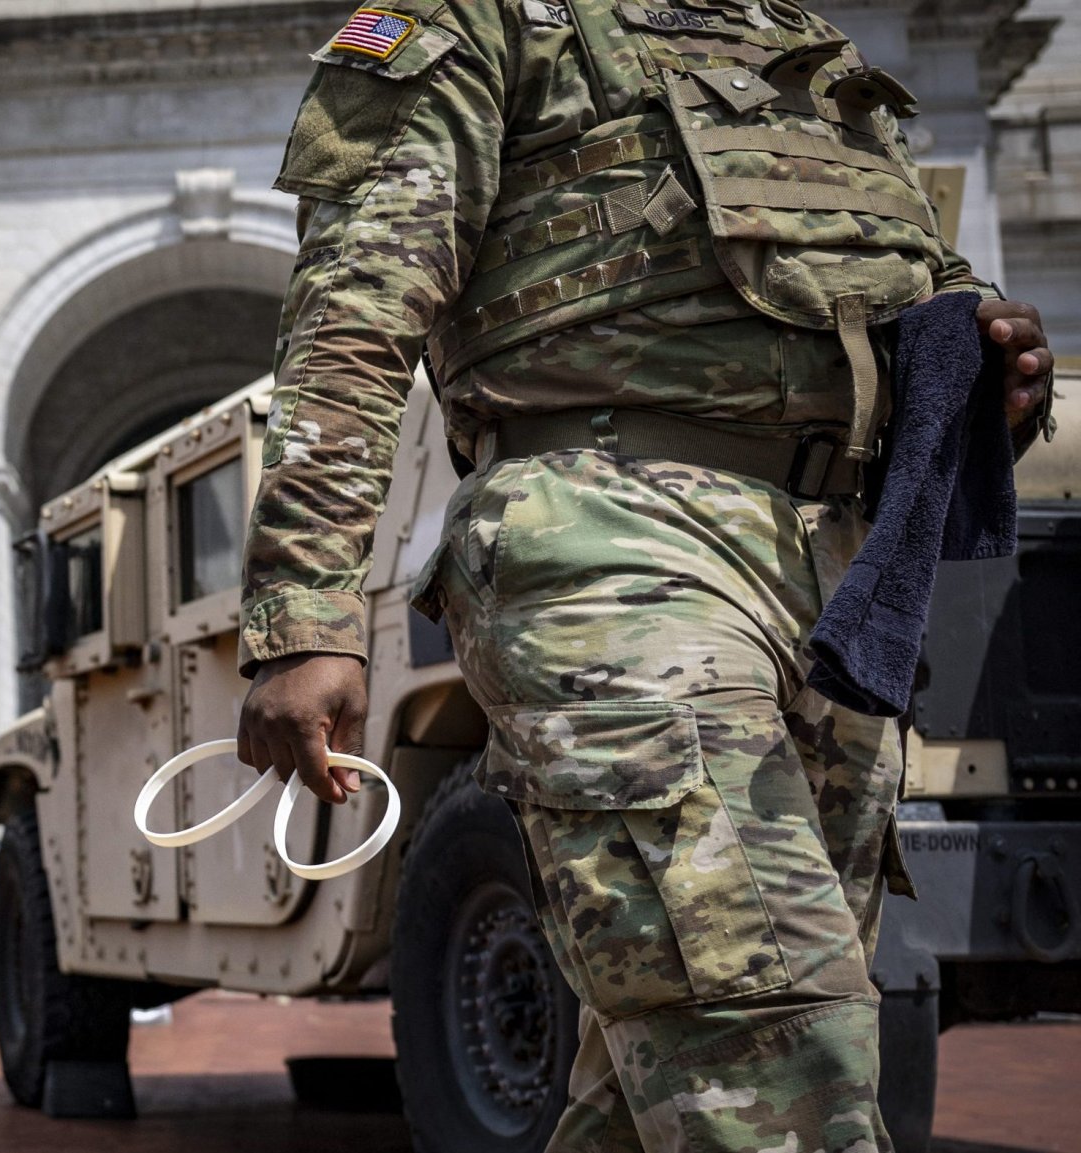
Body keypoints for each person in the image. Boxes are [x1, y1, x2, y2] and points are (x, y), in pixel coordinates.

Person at [234, 7, 1057, 1152]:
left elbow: (902, 273)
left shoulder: (797, 38)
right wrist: (305, 613)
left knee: (667, 1082)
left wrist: (991, 356)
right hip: (612, 534)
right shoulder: (481, 21)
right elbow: (352, 315)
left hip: (834, 576)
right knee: (767, 1042)